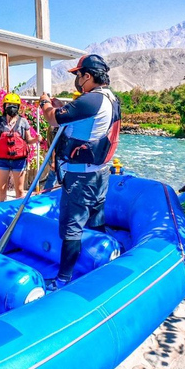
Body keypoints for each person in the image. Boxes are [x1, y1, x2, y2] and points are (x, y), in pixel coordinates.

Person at [39, 54, 121, 290]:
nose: (77, 80)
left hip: (80, 177)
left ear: (88, 76)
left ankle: (62, 279)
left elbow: (53, 119)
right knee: (95, 219)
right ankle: (99, 266)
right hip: (99, 173)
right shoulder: (109, 99)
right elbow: (78, 118)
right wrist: (60, 107)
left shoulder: (91, 100)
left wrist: (46, 103)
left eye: (78, 75)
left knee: (72, 227)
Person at [0, 93, 41, 202]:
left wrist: (36, 139)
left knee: (20, 190)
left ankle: (18, 213)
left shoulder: (23, 122)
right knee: (2, 189)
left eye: (14, 105)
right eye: (9, 104)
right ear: (5, 105)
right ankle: (1, 212)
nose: (12, 107)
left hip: (19, 161)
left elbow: (29, 140)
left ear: (18, 107)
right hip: (2, 160)